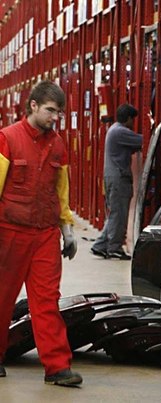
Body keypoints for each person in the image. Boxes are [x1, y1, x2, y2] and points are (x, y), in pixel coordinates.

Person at [0, 80, 82, 386]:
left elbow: (60, 191)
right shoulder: (7, 139)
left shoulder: (58, 145)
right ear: (33, 105)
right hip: (10, 231)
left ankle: (57, 366)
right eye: (50, 110)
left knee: (47, 301)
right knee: (2, 297)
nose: (55, 117)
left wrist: (67, 227)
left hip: (45, 234)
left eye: (58, 112)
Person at [91, 104, 143, 260]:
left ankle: (100, 245)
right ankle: (114, 248)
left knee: (115, 213)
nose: (133, 124)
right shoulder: (120, 131)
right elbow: (144, 139)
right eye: (132, 120)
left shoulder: (114, 130)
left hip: (113, 176)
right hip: (118, 178)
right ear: (127, 119)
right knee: (119, 214)